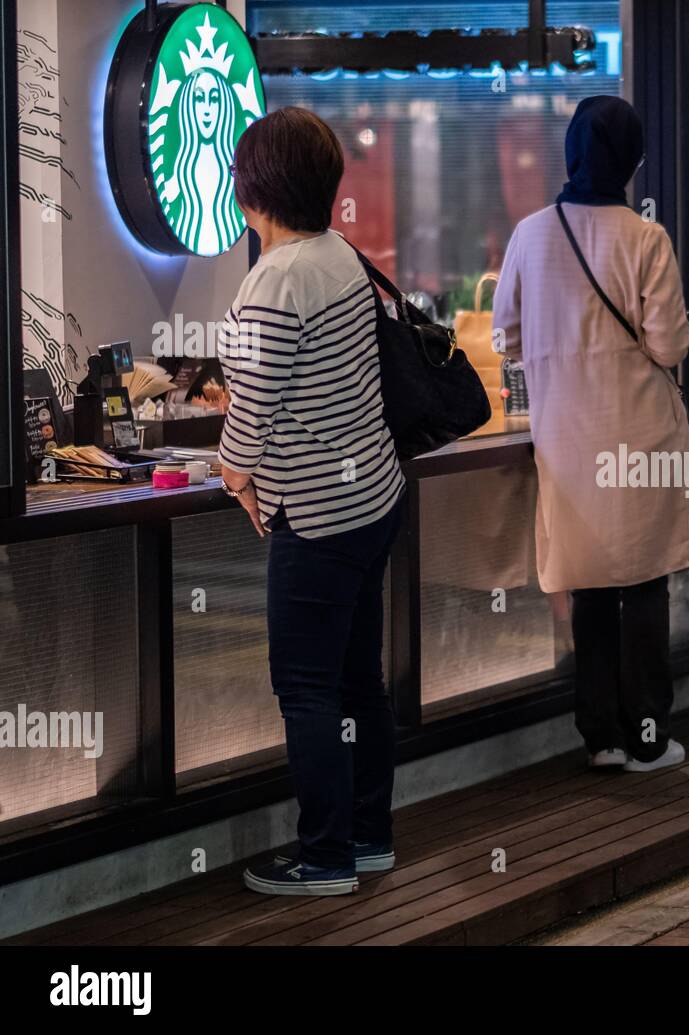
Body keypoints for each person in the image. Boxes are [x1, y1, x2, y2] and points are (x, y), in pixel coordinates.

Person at [493, 95, 689, 773]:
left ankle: (600, 737)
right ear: (631, 161)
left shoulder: (530, 234)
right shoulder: (646, 238)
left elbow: (505, 335)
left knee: (588, 586)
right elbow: (669, 345)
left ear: (569, 152)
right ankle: (650, 736)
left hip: (566, 438)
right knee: (645, 584)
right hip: (639, 436)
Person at [217, 107, 407, 896]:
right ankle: (368, 835)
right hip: (373, 498)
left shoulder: (277, 279)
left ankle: (325, 856)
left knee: (306, 688)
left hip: (319, 519)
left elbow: (250, 412)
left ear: (253, 187)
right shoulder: (341, 256)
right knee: (357, 677)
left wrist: (235, 476)